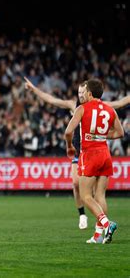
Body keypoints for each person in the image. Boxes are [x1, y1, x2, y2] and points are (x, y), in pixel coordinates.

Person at [24, 77, 129, 230]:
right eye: (79, 92)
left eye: (83, 92)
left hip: (90, 151)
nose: (80, 95)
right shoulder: (75, 106)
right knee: (76, 183)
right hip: (82, 151)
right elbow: (51, 99)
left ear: (89, 92)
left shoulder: (94, 107)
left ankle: (101, 228)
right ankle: (83, 215)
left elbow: (120, 103)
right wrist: (34, 89)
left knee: (95, 194)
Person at [64, 79, 124, 244]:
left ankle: (107, 224)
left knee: (85, 196)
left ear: (89, 93)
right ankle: (98, 236)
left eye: (84, 92)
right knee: (100, 195)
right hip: (105, 153)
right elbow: (120, 133)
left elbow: (68, 131)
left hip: (89, 154)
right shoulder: (110, 110)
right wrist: (102, 136)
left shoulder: (82, 109)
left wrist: (70, 146)